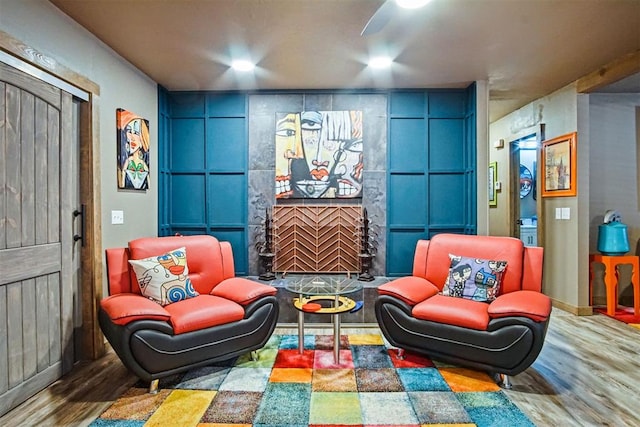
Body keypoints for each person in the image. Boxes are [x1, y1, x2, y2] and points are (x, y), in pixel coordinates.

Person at [117, 109, 150, 190]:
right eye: (129, 131)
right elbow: (122, 181)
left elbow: (148, 180)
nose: (132, 137)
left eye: (136, 133)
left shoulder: (143, 164)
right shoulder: (127, 162)